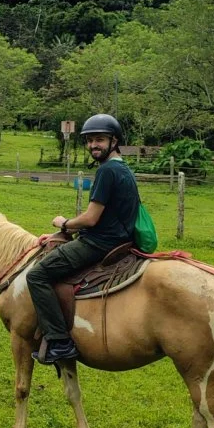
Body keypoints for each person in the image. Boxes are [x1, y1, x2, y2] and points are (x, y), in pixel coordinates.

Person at [26, 114, 140, 367]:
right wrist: (61, 236)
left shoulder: (107, 171)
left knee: (37, 276)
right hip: (120, 241)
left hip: (98, 244)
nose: (93, 146)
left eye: (99, 139)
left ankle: (58, 340)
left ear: (114, 141)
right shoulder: (124, 169)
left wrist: (63, 223)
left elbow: (91, 219)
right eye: (89, 141)